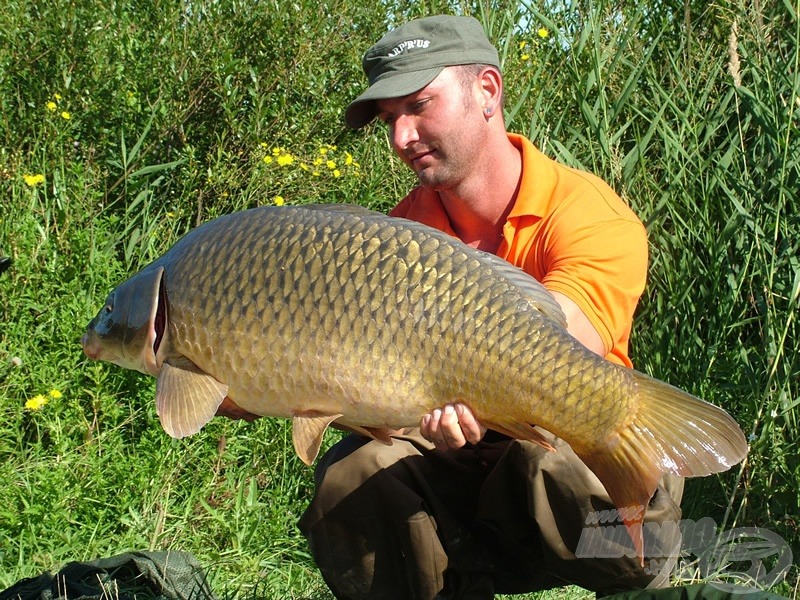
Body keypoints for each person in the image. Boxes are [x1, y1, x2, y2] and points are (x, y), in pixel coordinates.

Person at [296, 14, 685, 599]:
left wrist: (470, 384)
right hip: (452, 463)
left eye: (419, 105)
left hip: (565, 440)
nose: (402, 136)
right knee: (351, 477)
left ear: (487, 91)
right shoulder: (394, 240)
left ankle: (642, 567)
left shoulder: (586, 213)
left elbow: (565, 347)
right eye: (389, 119)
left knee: (552, 466)